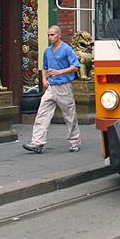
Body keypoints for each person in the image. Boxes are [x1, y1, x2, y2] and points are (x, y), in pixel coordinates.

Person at [23, 26, 81, 154]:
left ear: (59, 35)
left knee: (69, 115)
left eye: (53, 35)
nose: (50, 37)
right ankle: (37, 143)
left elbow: (76, 66)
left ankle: (74, 141)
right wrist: (44, 79)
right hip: (51, 87)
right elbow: (44, 66)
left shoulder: (66, 49)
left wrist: (60, 71)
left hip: (64, 86)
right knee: (42, 114)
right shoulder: (47, 51)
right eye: (49, 35)